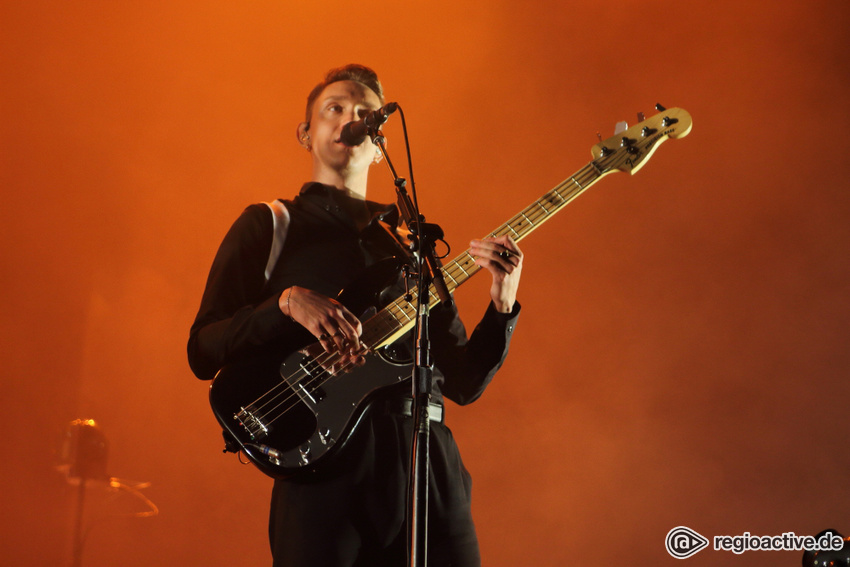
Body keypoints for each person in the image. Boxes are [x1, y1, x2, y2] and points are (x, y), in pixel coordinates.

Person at [188, 64, 523, 567]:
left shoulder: (411, 245)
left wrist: (503, 301)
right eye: (335, 108)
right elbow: (202, 348)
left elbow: (464, 380)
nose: (351, 119)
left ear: (378, 138)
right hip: (325, 468)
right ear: (306, 133)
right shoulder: (271, 223)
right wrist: (284, 303)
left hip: (429, 463)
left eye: (366, 113)